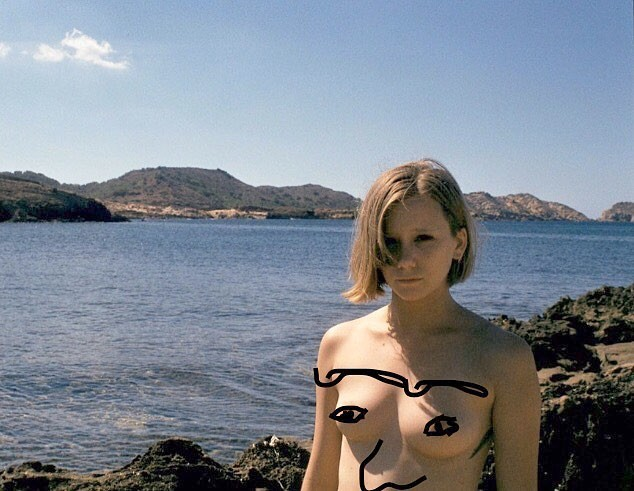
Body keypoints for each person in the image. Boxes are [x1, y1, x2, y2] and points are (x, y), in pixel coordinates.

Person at [302, 160, 540, 491]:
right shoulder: (338, 344)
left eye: (423, 238)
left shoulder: (503, 358)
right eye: (390, 241)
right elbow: (320, 476)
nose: (405, 260)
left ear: (459, 243)